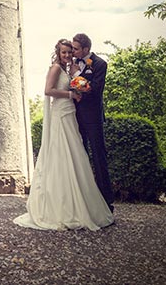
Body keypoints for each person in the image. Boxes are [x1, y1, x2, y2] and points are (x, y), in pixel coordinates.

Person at [13, 39, 113, 231]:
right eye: (65, 52)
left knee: (76, 157)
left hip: (73, 116)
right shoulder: (56, 69)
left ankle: (83, 203)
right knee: (62, 155)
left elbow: (90, 88)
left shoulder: (73, 69)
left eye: (70, 52)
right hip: (62, 114)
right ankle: (61, 206)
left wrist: (77, 81)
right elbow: (48, 91)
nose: (68, 55)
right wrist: (71, 95)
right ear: (58, 53)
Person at [71, 32, 114, 212]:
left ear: (86, 49)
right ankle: (81, 201)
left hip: (93, 118)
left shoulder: (99, 64)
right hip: (73, 117)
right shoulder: (70, 64)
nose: (72, 52)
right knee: (78, 158)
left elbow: (94, 89)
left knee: (98, 157)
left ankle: (106, 202)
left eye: (76, 48)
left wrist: (76, 78)